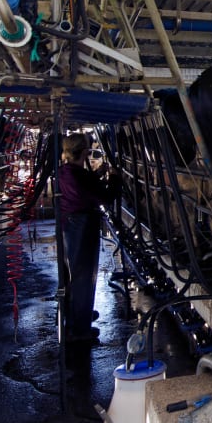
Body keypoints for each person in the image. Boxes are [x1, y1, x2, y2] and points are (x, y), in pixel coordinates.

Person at [57, 132, 120, 343]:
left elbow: (86, 185)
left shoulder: (65, 171)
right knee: (83, 276)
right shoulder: (80, 176)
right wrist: (114, 178)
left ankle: (77, 318)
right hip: (82, 226)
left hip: (69, 224)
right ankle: (80, 331)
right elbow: (105, 197)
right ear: (84, 152)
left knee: (73, 273)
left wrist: (98, 174)